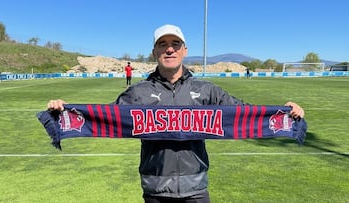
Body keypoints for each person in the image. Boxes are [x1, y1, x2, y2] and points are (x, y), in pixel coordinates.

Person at [47, 24, 305, 203]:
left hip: (196, 188)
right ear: (154, 52)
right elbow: (105, 118)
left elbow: (244, 113)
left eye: (175, 44)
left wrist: (285, 113)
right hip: (155, 188)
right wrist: (64, 111)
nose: (169, 49)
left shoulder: (206, 90)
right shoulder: (137, 93)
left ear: (184, 50)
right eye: (162, 45)